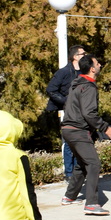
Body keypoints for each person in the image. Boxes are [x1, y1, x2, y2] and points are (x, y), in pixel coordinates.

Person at [60, 54, 111, 215]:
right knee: (93, 163)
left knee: (82, 163)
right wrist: (105, 128)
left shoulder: (77, 84)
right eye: (98, 63)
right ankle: (92, 204)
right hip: (78, 131)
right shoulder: (89, 87)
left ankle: (69, 196)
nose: (100, 65)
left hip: (68, 129)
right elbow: (89, 113)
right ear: (92, 68)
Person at [45, 44, 86, 184]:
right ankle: (69, 174)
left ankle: (78, 171)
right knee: (69, 143)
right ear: (75, 57)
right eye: (83, 54)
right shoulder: (63, 72)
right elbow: (51, 89)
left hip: (81, 111)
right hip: (67, 111)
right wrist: (65, 102)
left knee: (80, 141)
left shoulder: (84, 72)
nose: (85, 56)